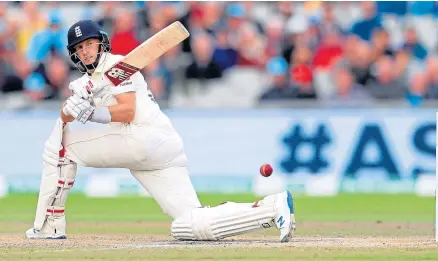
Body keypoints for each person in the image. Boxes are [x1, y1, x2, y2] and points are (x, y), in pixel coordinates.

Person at [24, 20, 296, 242]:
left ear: (101, 42)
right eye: (79, 47)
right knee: (189, 224)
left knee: (59, 146)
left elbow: (127, 111)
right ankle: (272, 208)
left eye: (89, 43)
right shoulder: (83, 83)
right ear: (74, 54)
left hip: (142, 136)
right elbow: (66, 117)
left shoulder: (120, 66)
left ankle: (50, 224)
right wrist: (73, 104)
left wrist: (91, 112)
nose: (85, 51)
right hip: (161, 151)